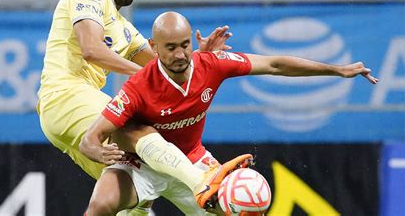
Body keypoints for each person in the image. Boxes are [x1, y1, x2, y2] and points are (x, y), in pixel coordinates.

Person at [79, 11, 379, 215]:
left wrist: (336, 69)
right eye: (171, 48)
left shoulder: (211, 64)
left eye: (185, 45)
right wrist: (100, 153)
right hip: (142, 165)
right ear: (154, 47)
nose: (182, 54)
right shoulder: (138, 86)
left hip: (195, 163)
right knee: (99, 205)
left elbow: (273, 64)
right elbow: (90, 140)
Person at [36, 0, 232, 215]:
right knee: (139, 131)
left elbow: (166, 67)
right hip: (64, 95)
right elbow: (92, 50)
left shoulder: (125, 30)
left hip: (68, 115)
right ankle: (201, 182)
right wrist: (146, 76)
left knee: (133, 181)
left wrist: (196, 59)